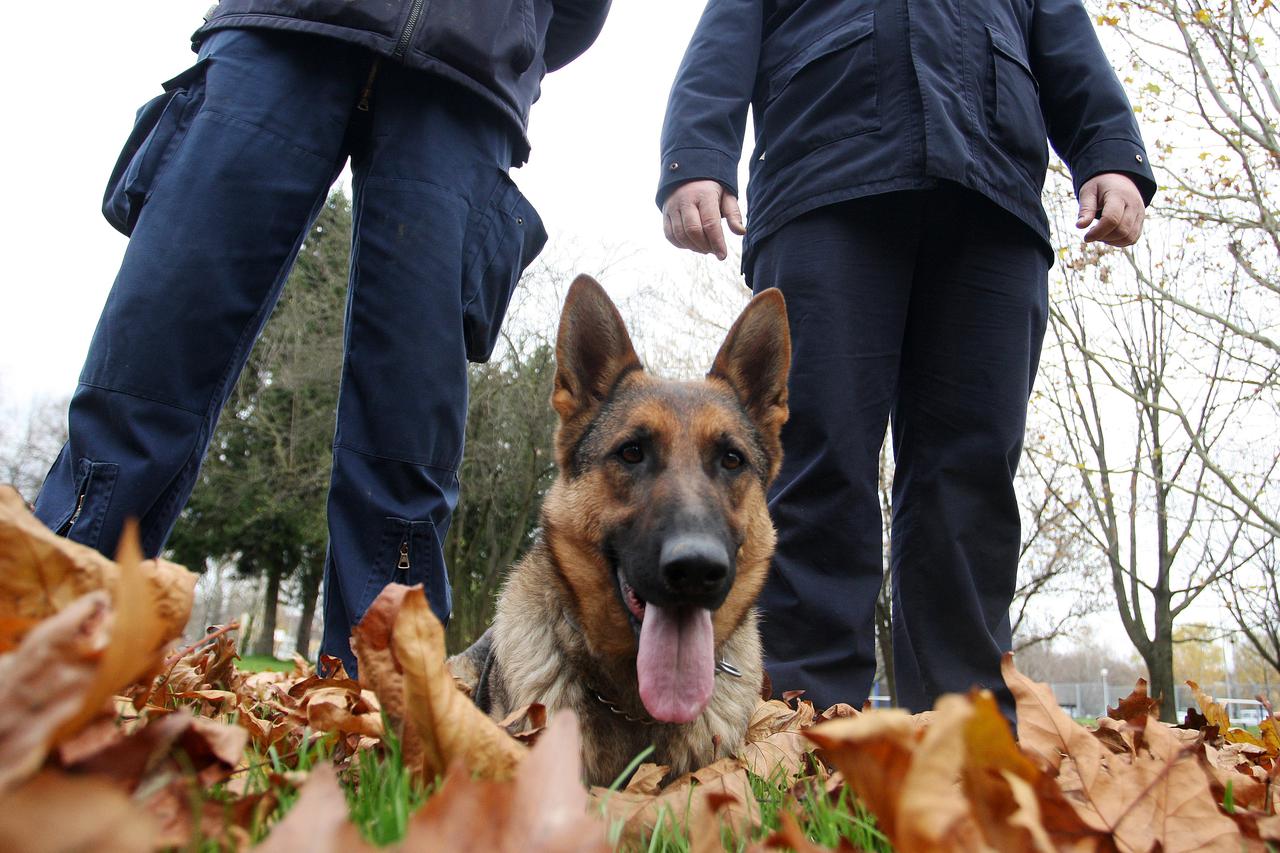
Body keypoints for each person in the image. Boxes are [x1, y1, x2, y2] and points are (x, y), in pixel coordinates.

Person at [34, 0, 611, 675]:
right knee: (155, 347)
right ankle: (45, 634)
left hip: (466, 80)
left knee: (410, 423)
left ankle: (371, 697)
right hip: (279, 25)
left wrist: (507, 33)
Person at [657, 0, 1154, 715]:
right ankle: (801, 721)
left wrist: (1110, 150)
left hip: (993, 198)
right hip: (824, 179)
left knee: (971, 477)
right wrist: (697, 154)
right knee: (815, 458)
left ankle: (966, 733)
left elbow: (1065, 38)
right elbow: (728, 30)